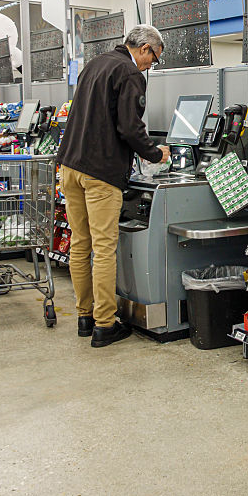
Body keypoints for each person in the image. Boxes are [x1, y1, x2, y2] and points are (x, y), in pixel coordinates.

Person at [57, 24, 170, 348]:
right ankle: (105, 325)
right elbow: (129, 128)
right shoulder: (131, 74)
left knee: (81, 243)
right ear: (145, 48)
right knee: (104, 248)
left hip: (70, 166)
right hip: (101, 171)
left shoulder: (96, 63)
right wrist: (155, 153)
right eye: (154, 59)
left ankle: (85, 316)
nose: (151, 66)